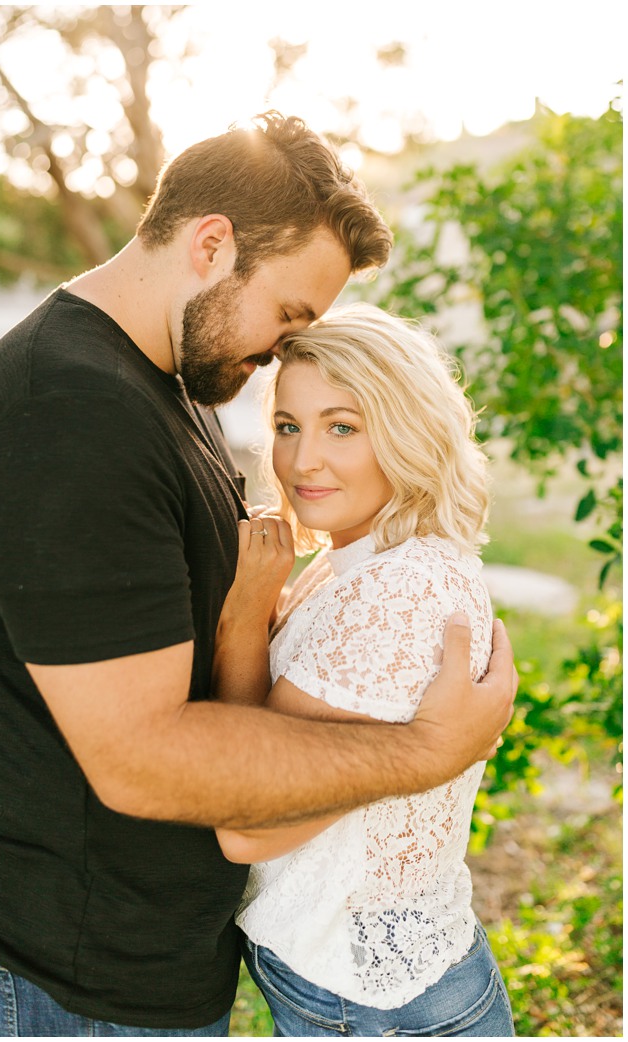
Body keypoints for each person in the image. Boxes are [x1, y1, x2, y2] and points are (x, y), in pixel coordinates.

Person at [0, 112, 518, 1036]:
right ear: (212, 245)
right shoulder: (65, 412)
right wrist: (428, 752)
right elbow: (138, 757)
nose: (275, 359)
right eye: (288, 316)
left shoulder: (160, 374)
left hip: (150, 944)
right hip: (77, 958)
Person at [212, 304, 513, 1036]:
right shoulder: (354, 558)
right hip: (351, 982)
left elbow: (247, 826)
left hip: (379, 1007)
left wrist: (244, 617)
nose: (302, 459)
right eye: (289, 426)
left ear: (408, 432)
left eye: (342, 426)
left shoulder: (399, 593)